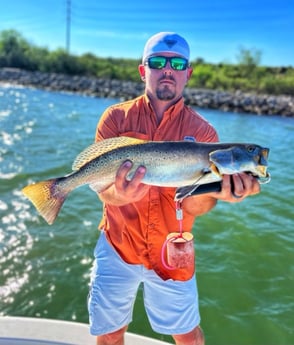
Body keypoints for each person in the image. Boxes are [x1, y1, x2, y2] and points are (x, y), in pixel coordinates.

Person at [88, 32, 260, 345]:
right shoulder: (114, 118)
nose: (168, 69)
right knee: (110, 335)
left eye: (178, 63)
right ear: (143, 70)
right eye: (158, 62)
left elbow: (196, 206)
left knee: (189, 338)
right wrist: (118, 195)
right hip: (117, 246)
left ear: (187, 74)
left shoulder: (204, 133)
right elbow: (102, 189)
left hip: (173, 251)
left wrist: (218, 192)